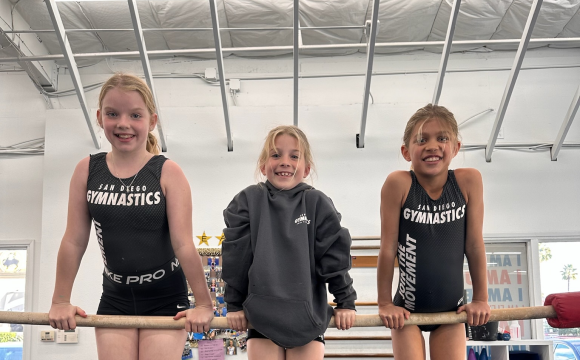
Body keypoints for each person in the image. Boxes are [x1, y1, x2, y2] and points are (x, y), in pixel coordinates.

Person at [48, 73, 214, 360]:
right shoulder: (87, 170)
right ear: (100, 118)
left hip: (165, 296)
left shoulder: (167, 172)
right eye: (113, 114)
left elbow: (184, 244)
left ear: (152, 121)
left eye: (135, 115)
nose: (123, 123)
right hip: (116, 295)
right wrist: (60, 300)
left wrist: (204, 304)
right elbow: (74, 240)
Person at [222, 125, 357, 360]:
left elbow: (334, 257)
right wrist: (234, 304)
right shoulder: (249, 200)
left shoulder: (317, 203)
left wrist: (345, 301)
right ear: (263, 165)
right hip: (262, 317)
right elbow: (237, 257)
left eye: (294, 156)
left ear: (306, 168)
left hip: (307, 318)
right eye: (276, 155)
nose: (285, 162)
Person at [377, 104, 491, 360]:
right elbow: (387, 247)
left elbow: (474, 245)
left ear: (456, 147)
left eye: (442, 138)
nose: (432, 145)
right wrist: (384, 303)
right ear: (406, 151)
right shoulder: (399, 184)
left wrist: (481, 298)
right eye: (421, 139)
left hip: (451, 312)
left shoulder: (468, 182)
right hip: (406, 312)